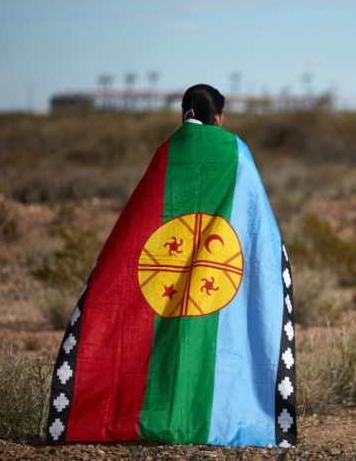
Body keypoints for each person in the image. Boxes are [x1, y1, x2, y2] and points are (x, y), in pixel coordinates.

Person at [46, 84, 297, 448]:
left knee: (169, 342)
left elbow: (139, 220)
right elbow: (253, 218)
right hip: (219, 269)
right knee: (208, 342)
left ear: (183, 114)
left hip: (164, 270)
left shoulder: (166, 153)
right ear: (219, 117)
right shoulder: (235, 151)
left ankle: (157, 418)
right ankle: (214, 420)